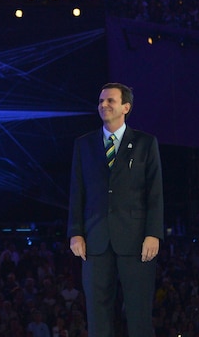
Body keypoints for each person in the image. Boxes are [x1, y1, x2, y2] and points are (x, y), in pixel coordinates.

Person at [67, 82, 163, 337]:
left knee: (138, 312)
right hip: (95, 240)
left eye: (110, 100)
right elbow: (77, 191)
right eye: (100, 101)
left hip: (135, 239)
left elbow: (154, 193)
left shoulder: (145, 143)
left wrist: (153, 233)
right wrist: (75, 232)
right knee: (97, 314)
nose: (103, 105)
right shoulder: (83, 145)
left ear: (126, 107)